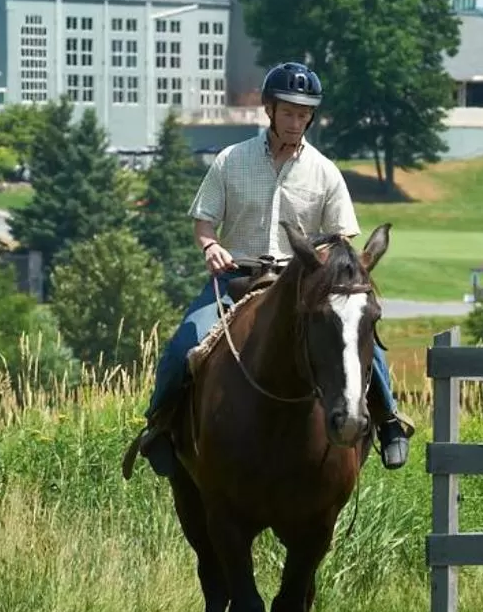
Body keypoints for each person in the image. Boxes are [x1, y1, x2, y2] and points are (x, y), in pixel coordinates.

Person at [135, 61, 412, 477]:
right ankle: (158, 426)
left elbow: (342, 241)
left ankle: (389, 422)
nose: (296, 122)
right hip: (235, 281)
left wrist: (321, 267)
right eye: (288, 113)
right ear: (269, 110)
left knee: (363, 342)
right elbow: (204, 220)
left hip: (300, 285)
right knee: (182, 346)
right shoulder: (231, 160)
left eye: (303, 115)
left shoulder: (325, 173)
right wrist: (210, 245)